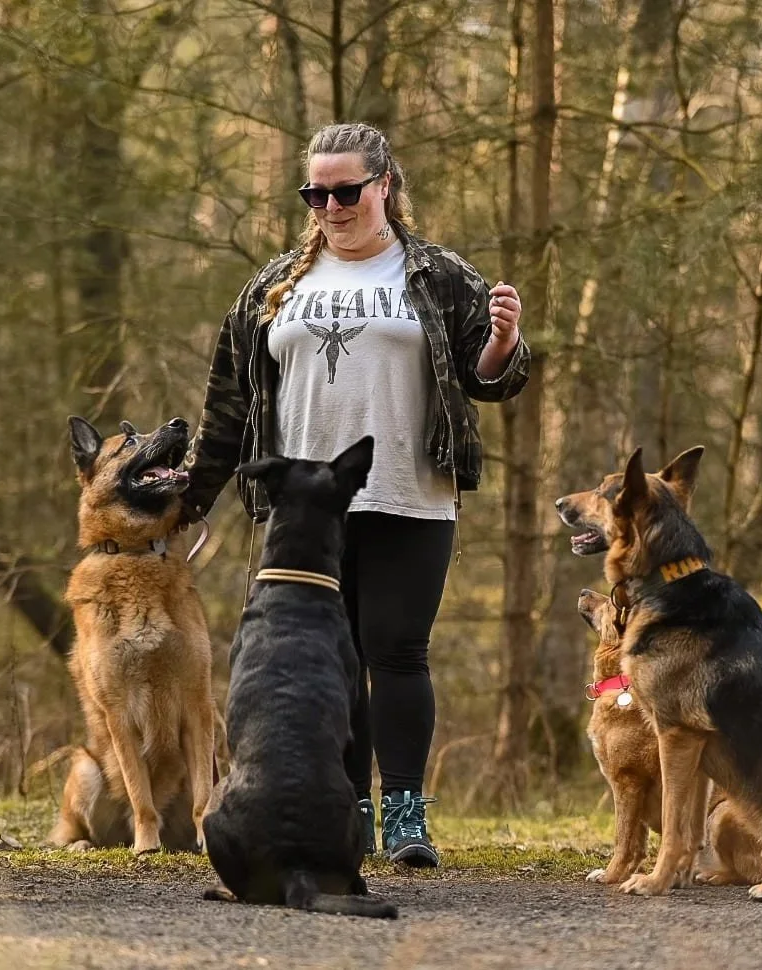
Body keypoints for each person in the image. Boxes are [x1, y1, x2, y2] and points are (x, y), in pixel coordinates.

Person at [182, 122, 530, 867]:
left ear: (385, 186)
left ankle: (405, 815)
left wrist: (502, 344)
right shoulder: (272, 287)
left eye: (346, 192)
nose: (331, 207)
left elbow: (490, 378)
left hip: (409, 491)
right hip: (302, 508)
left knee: (396, 650)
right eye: (316, 194)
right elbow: (228, 405)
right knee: (323, 658)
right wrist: (189, 499)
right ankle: (346, 807)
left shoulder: (438, 275)